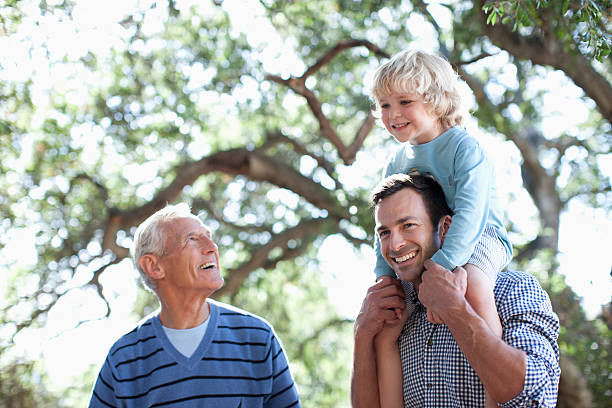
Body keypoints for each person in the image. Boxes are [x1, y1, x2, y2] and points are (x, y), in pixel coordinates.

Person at [350, 173, 560, 407]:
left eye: (408, 225)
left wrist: (454, 309)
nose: (395, 244)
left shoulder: (512, 291)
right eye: (384, 232)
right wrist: (362, 335)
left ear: (444, 228)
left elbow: (535, 398)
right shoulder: (391, 315)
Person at [89, 203, 301, 408]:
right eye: (192, 239)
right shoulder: (124, 360)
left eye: (209, 238)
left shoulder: (257, 338)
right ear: (154, 266)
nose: (212, 248)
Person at [369, 50, 512, 349]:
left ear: (437, 101)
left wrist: (441, 269)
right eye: (385, 105)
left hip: (480, 235)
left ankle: (495, 390)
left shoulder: (464, 148)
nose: (393, 114)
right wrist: (385, 277)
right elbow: (384, 224)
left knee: (473, 287)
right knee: (386, 313)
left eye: (405, 102)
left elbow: (472, 214)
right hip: (430, 243)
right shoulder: (395, 162)